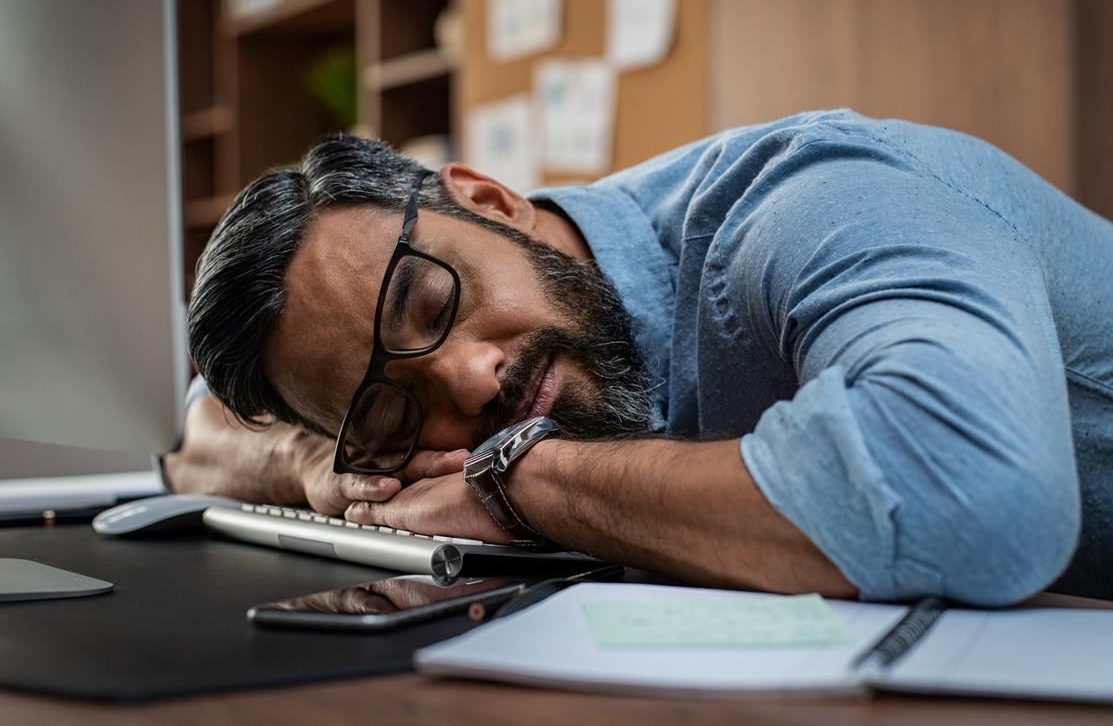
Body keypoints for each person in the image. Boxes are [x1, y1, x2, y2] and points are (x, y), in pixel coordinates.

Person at [171, 110, 1113, 605]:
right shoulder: (403, 392)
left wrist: (516, 478)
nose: (467, 379)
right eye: (390, 409)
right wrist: (324, 469)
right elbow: (204, 416)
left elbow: (979, 497)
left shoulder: (807, 202)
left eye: (429, 302)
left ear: (491, 199)